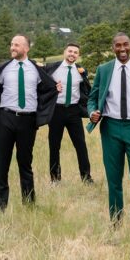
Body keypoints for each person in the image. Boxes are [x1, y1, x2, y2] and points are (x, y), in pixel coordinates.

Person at [0, 34, 58, 211]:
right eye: (12, 44)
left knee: (25, 163)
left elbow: (46, 90)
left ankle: (29, 203)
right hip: (5, 118)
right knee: (2, 163)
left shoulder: (37, 70)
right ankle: (0, 206)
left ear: (26, 48)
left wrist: (55, 89)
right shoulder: (3, 68)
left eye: (17, 45)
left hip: (28, 121)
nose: (12, 47)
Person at [87, 32, 130, 227]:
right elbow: (92, 98)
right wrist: (93, 111)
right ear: (113, 48)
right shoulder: (104, 70)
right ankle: (116, 220)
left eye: (125, 45)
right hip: (110, 128)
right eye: (118, 45)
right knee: (114, 176)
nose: (122, 49)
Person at [44, 43, 93, 183]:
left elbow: (86, 89)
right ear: (64, 52)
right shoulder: (52, 68)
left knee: (81, 145)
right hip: (56, 111)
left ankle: (86, 177)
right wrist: (53, 89)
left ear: (78, 55)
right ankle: (55, 179)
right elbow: (42, 84)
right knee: (54, 146)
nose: (72, 54)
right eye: (70, 51)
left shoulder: (81, 71)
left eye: (75, 52)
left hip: (74, 111)